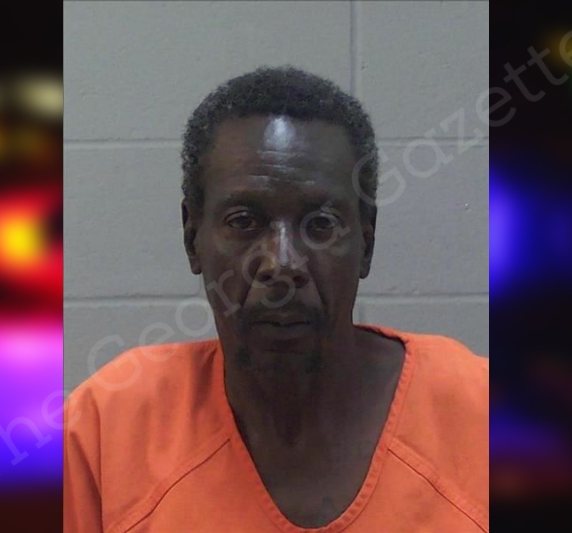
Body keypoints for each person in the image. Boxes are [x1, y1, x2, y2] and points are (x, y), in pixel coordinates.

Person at [64, 66, 488, 532]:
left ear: (366, 244)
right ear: (192, 238)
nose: (282, 264)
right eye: (244, 222)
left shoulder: (481, 415)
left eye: (320, 225)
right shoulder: (109, 428)